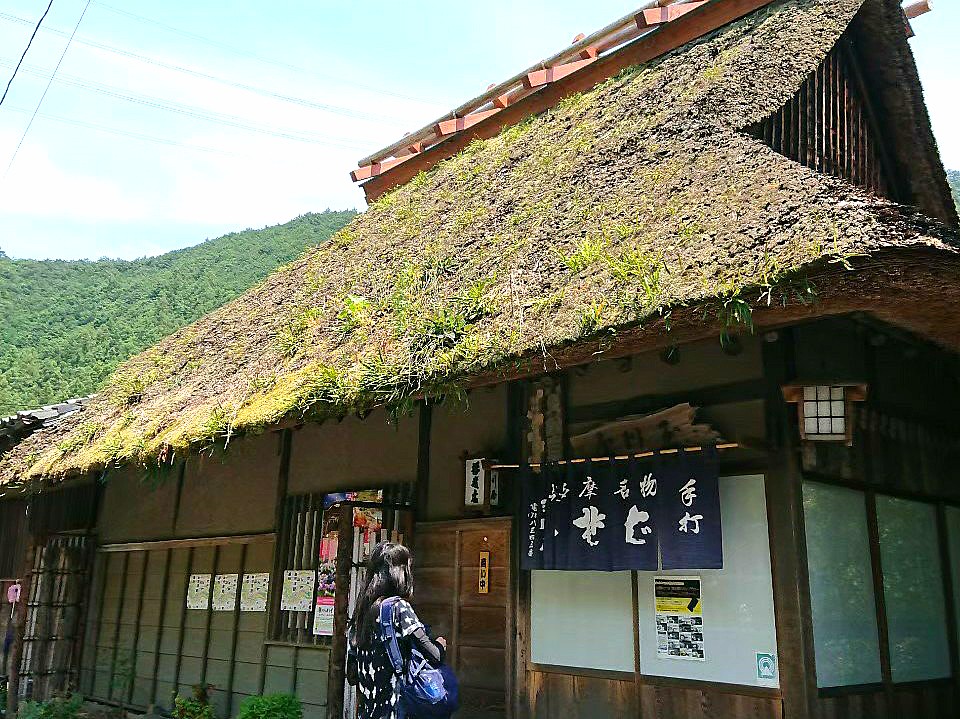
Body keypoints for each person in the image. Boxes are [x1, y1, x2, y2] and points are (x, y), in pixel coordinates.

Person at [347, 541, 447, 719]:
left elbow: (352, 675)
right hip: (395, 710)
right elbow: (435, 656)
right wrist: (440, 644)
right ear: (400, 573)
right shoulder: (398, 608)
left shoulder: (360, 613)